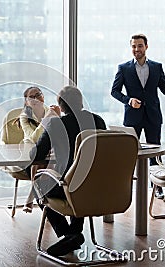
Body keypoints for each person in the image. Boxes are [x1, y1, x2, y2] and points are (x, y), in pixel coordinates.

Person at [110, 33, 165, 199]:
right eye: (134, 46)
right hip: (132, 117)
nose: (137, 49)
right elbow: (114, 91)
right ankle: (124, 188)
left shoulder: (156, 67)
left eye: (140, 46)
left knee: (154, 154)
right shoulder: (124, 68)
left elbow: (164, 88)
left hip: (153, 117)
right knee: (128, 154)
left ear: (146, 47)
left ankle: (156, 188)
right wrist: (128, 101)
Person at [30, 85, 106, 256]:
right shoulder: (98, 121)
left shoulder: (58, 124)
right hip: (98, 186)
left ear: (61, 106)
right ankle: (74, 233)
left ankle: (69, 234)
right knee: (82, 181)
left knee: (38, 184)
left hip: (69, 187)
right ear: (80, 102)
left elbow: (35, 154)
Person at [15, 86, 59, 213]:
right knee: (39, 162)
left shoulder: (51, 111)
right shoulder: (24, 117)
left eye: (38, 95)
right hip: (29, 155)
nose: (36, 99)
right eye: (31, 97)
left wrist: (56, 116)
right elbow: (34, 138)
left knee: (46, 162)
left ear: (43, 97)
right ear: (26, 102)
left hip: (48, 153)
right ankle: (34, 198)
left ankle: (34, 198)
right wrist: (46, 120)